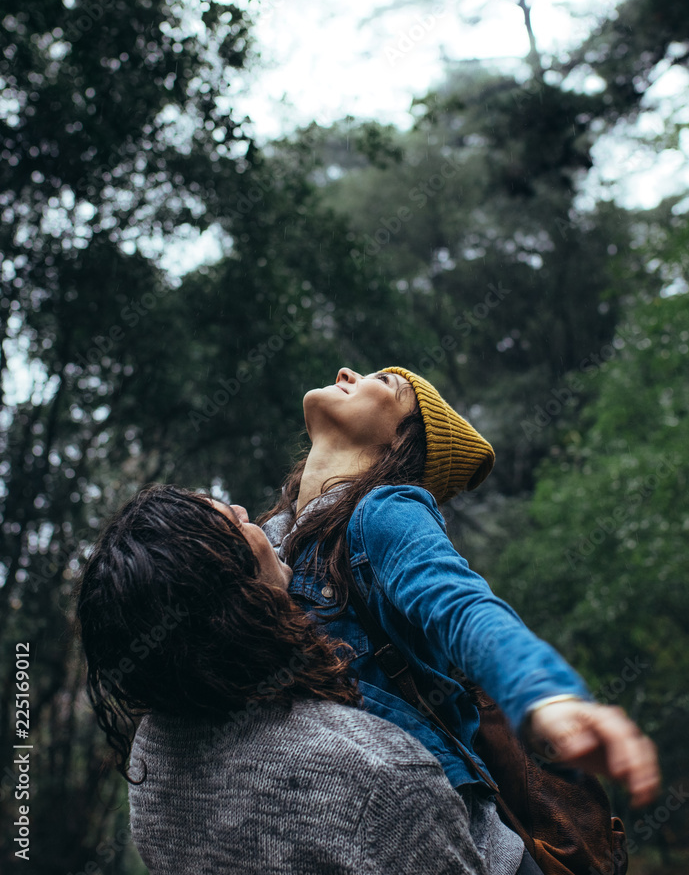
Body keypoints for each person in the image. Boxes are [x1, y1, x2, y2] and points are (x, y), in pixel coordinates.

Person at [259, 365, 661, 875]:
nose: (346, 371)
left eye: (385, 383)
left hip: (455, 847)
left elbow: (459, 603)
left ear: (400, 442)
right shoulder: (263, 543)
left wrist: (546, 694)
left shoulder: (383, 510)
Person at [76, 483, 492, 875]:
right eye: (236, 523)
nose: (244, 511)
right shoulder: (376, 771)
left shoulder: (150, 761)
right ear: (240, 602)